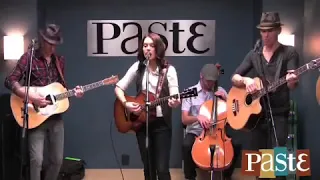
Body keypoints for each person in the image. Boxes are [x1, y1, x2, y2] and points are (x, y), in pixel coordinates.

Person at [4, 24, 84, 180]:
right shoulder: (29, 57)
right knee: (36, 160)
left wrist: (74, 92)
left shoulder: (59, 61)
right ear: (42, 40)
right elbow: (9, 80)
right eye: (50, 43)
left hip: (55, 118)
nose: (53, 47)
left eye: (55, 44)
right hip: (35, 117)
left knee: (57, 160)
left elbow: (60, 88)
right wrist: (30, 96)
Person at [231, 12, 299, 179]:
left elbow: (292, 84)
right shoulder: (254, 54)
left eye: (269, 30)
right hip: (258, 116)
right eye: (263, 31)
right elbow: (234, 77)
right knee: (259, 165)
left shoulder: (289, 53)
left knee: (278, 163)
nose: (265, 35)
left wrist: (292, 80)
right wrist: (246, 81)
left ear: (278, 31)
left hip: (279, 114)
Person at [114, 33, 181, 180]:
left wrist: (175, 101)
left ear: (158, 48)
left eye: (151, 45)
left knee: (162, 169)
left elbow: (175, 95)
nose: (147, 49)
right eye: (145, 46)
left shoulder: (169, 70)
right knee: (148, 168)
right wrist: (126, 103)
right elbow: (118, 87)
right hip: (142, 125)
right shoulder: (138, 67)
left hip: (162, 125)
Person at [181, 64, 241, 180]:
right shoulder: (190, 92)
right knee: (186, 145)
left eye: (213, 81)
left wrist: (227, 101)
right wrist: (198, 117)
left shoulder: (221, 91)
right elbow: (184, 119)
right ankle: (190, 177)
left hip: (219, 130)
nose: (210, 84)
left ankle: (227, 175)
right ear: (201, 76)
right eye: (208, 81)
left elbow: (234, 115)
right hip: (197, 131)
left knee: (237, 144)